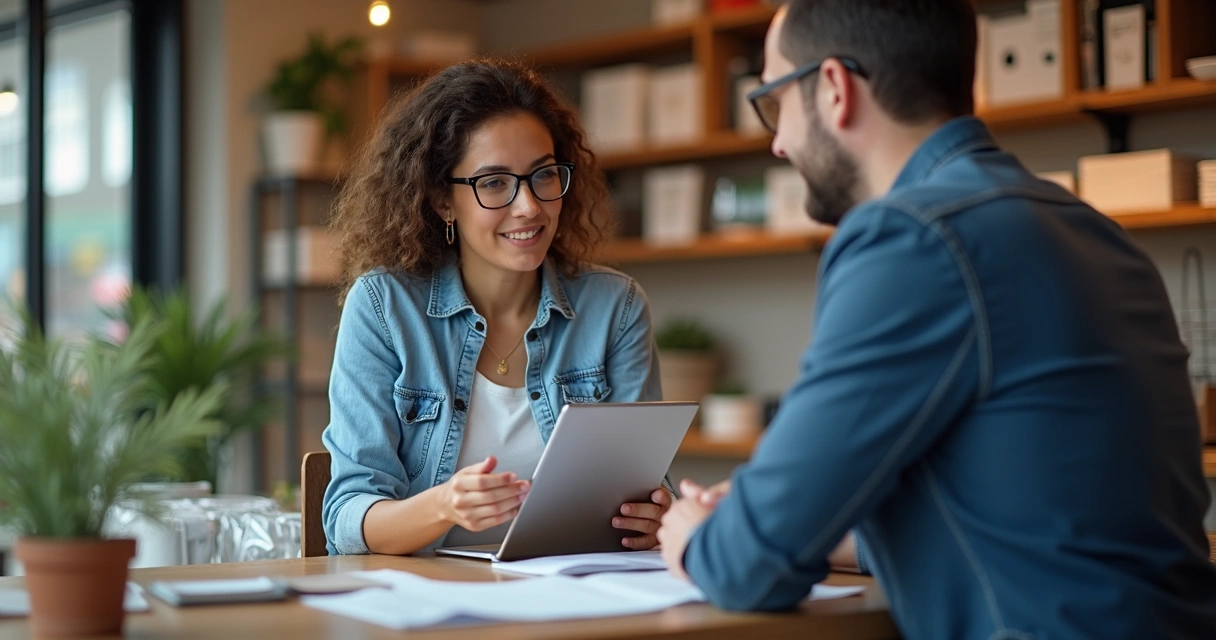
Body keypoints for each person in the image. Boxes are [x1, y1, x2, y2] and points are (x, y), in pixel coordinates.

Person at [657, 1, 1216, 637]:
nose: (778, 141)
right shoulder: (1093, 230)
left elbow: (745, 567)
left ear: (835, 88)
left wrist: (697, 535)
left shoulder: (911, 236)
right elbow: (1034, 519)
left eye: (776, 102)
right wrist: (818, 528)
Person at [322, 58, 668, 556]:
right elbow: (348, 518)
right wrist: (444, 505)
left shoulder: (616, 307)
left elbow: (645, 489)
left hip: (573, 600)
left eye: (543, 176)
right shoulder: (383, 307)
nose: (528, 205)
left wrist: (656, 515)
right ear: (443, 200)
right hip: (424, 606)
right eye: (494, 183)